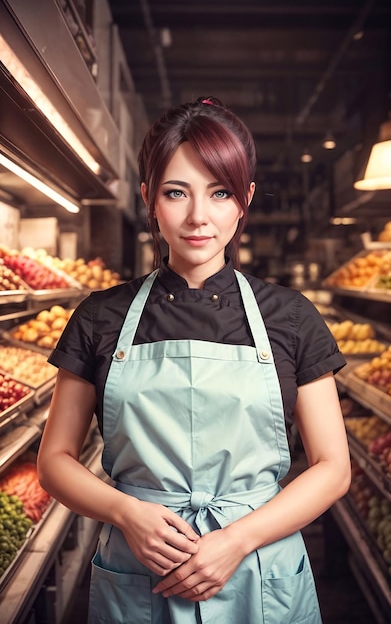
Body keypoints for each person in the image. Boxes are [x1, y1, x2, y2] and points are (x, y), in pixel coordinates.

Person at [37, 96, 351, 624]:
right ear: (148, 199)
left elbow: (333, 468)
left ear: (245, 198)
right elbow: (54, 461)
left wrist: (237, 539)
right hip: (142, 568)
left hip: (259, 564)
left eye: (220, 192)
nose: (198, 217)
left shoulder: (291, 317)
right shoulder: (101, 316)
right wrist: (125, 512)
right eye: (176, 192)